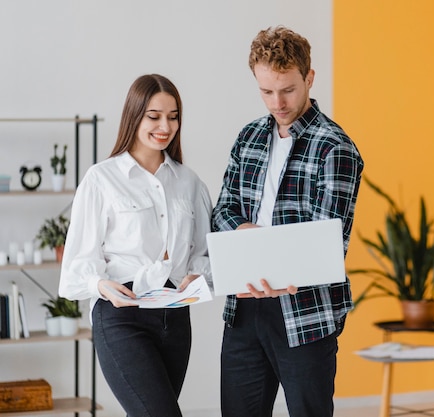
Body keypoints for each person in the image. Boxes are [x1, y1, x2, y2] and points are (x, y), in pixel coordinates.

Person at [212, 26, 364, 417]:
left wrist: (263, 256)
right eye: (266, 91)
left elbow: (328, 241)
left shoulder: (336, 147)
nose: (277, 102)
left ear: (309, 79)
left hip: (305, 311)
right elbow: (223, 211)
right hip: (244, 308)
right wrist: (246, 234)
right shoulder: (248, 138)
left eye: (288, 89)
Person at [58, 74, 213, 417]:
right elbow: (75, 264)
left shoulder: (190, 183)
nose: (165, 126)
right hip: (121, 315)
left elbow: (205, 252)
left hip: (175, 317)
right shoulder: (102, 179)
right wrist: (99, 284)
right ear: (134, 116)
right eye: (154, 116)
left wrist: (198, 276)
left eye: (173, 117)